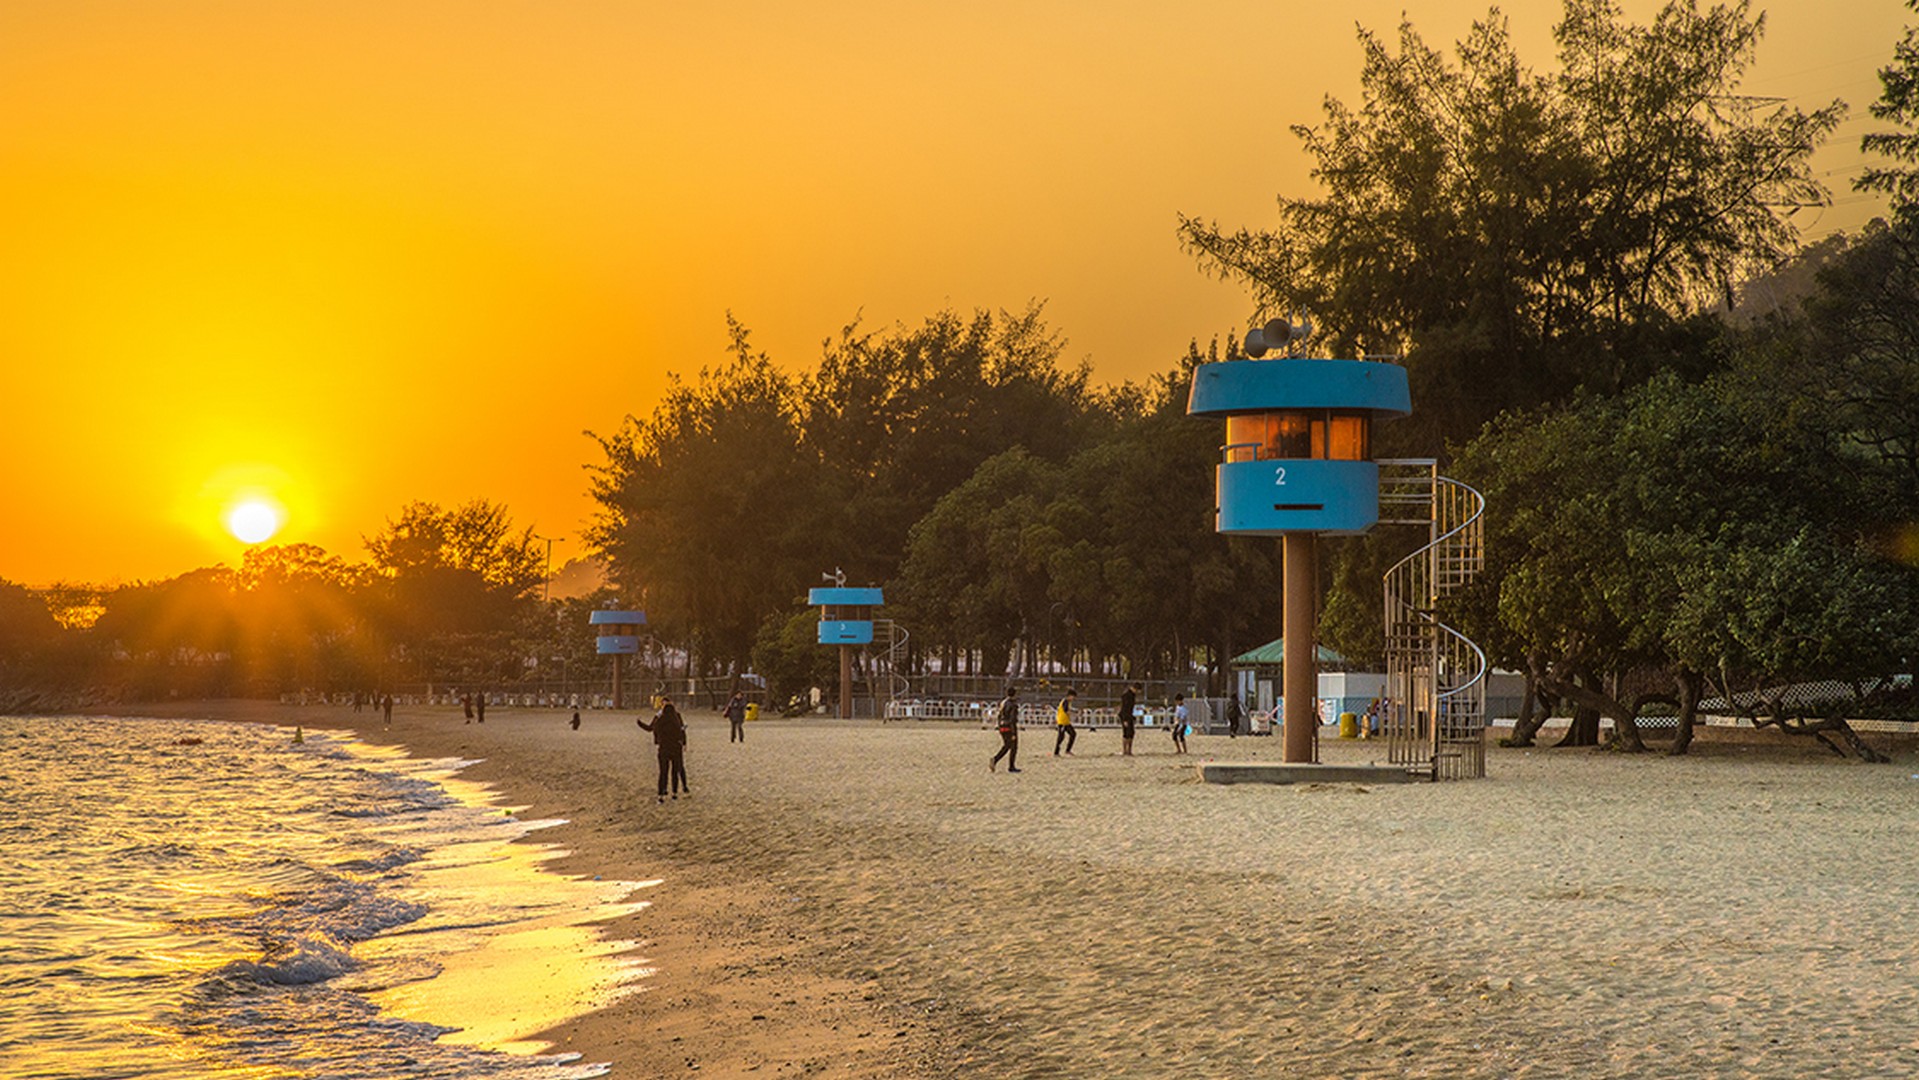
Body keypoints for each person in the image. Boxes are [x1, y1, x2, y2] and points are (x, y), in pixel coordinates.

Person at [636, 695, 689, 803]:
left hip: (664, 748)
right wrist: (683, 742)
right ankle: (675, 793)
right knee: (676, 771)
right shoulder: (676, 718)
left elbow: (652, 729)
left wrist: (640, 724)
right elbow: (681, 731)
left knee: (663, 772)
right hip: (676, 748)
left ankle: (661, 794)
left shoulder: (660, 719)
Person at [989, 686, 1021, 773]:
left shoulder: (1003, 702)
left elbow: (999, 715)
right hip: (1009, 727)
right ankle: (1010, 765)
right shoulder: (1013, 705)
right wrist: (1014, 733)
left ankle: (996, 760)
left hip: (1002, 726)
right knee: (1013, 747)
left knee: (1007, 746)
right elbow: (1012, 720)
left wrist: (999, 725)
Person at [1053, 687, 1078, 756]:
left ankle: (1068, 750)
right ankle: (1056, 752)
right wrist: (1074, 714)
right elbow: (1066, 711)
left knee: (1073, 734)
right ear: (1070, 695)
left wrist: (1074, 711)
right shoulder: (1065, 701)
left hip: (1066, 722)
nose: (1073, 699)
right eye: (1073, 697)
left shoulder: (1068, 702)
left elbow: (1069, 710)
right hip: (1062, 722)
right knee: (1061, 737)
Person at [1118, 681, 1140, 756]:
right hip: (1125, 716)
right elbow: (1125, 708)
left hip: (1129, 715)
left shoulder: (1132, 695)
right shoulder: (1127, 696)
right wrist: (1125, 719)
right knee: (1126, 733)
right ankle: (1125, 750)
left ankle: (1129, 750)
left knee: (1131, 733)